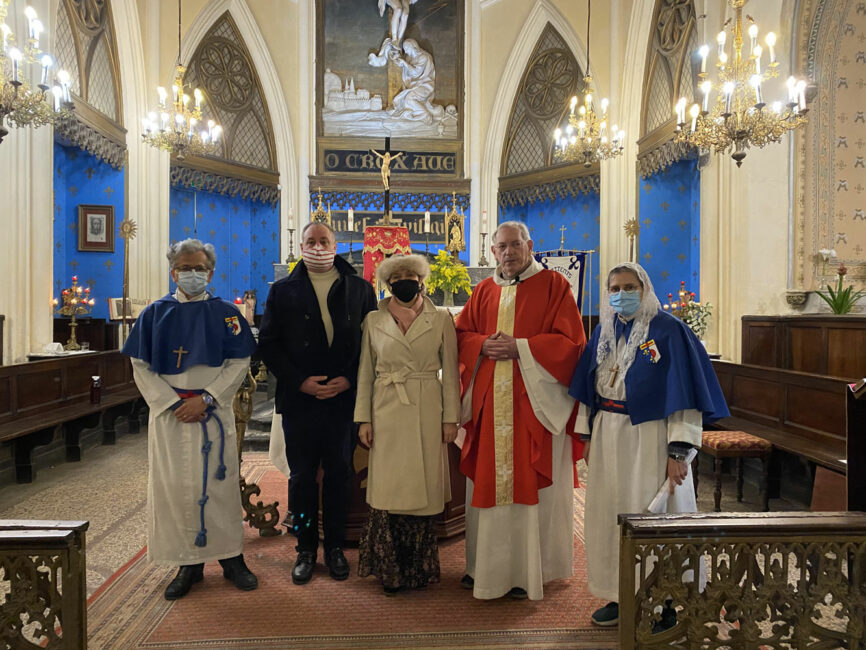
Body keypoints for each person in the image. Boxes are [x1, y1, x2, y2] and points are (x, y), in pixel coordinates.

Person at [569, 262, 728, 629]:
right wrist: (587, 436)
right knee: (610, 514)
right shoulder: (604, 332)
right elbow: (587, 388)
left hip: (652, 437)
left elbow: (685, 395)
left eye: (628, 286)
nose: (620, 294)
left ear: (644, 289)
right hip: (609, 434)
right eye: (614, 288)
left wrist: (678, 451)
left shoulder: (670, 331)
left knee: (656, 516)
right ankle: (619, 593)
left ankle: (665, 602)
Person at [455, 221, 586, 601]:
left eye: (515, 245)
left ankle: (533, 570)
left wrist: (522, 348)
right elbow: (462, 335)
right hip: (489, 411)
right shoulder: (483, 289)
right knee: (487, 486)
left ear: (530, 246)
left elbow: (571, 344)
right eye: (502, 246)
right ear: (493, 251)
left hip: (533, 409)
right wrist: (481, 345)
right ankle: (484, 569)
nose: (508, 252)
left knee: (531, 486)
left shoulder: (555, 286)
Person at [122, 238, 258, 600]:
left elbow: (239, 362)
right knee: (175, 489)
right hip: (171, 417)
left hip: (212, 413)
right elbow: (140, 365)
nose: (192, 274)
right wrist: (171, 403)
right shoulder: (154, 314)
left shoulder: (226, 314)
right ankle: (188, 564)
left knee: (220, 487)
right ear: (173, 271)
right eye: (185, 267)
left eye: (199, 268)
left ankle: (231, 559)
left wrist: (207, 398)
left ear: (211, 272)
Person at [258, 222, 377, 585]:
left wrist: (351, 380)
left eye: (324, 241)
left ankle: (336, 548)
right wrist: (300, 382)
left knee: (339, 475)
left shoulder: (360, 288)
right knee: (302, 479)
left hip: (343, 401)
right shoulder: (282, 290)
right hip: (301, 400)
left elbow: (371, 343)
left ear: (336, 245)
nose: (318, 246)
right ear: (301, 245)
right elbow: (269, 343)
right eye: (311, 241)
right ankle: (307, 548)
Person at [354, 254, 460, 595]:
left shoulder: (441, 318)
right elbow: (366, 373)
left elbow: (451, 373)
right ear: (387, 284)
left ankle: (417, 566)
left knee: (421, 487)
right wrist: (364, 419)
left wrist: (450, 418)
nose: (404, 280)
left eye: (410, 274)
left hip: (427, 407)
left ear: (422, 279)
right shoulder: (372, 320)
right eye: (397, 275)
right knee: (391, 490)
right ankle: (391, 567)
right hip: (386, 409)